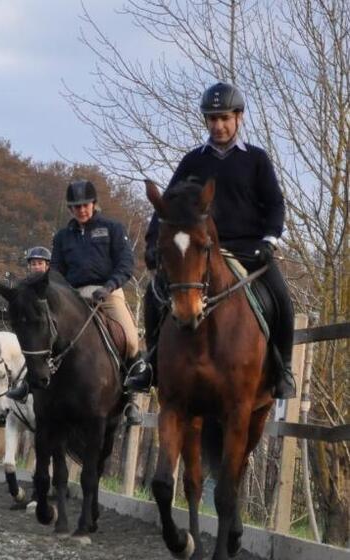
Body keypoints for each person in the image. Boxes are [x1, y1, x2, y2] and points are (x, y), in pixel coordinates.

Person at [127, 81, 296, 399]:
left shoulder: (256, 159)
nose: (218, 125)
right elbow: (167, 206)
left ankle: (283, 369)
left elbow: (275, 203)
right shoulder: (193, 162)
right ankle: (151, 364)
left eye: (224, 118)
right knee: (154, 295)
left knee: (282, 299)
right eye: (212, 119)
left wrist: (270, 240)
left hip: (248, 251)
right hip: (198, 253)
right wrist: (153, 242)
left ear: (239, 118)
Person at [9, 180, 148, 425]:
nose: (81, 210)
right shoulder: (63, 236)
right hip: (71, 295)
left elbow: (126, 264)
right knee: (42, 331)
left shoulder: (112, 228)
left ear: (94, 204)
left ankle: (130, 397)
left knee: (130, 337)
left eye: (85, 205)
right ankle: (27, 381)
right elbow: (58, 270)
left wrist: (109, 286)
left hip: (107, 291)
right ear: (71, 209)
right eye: (76, 207)